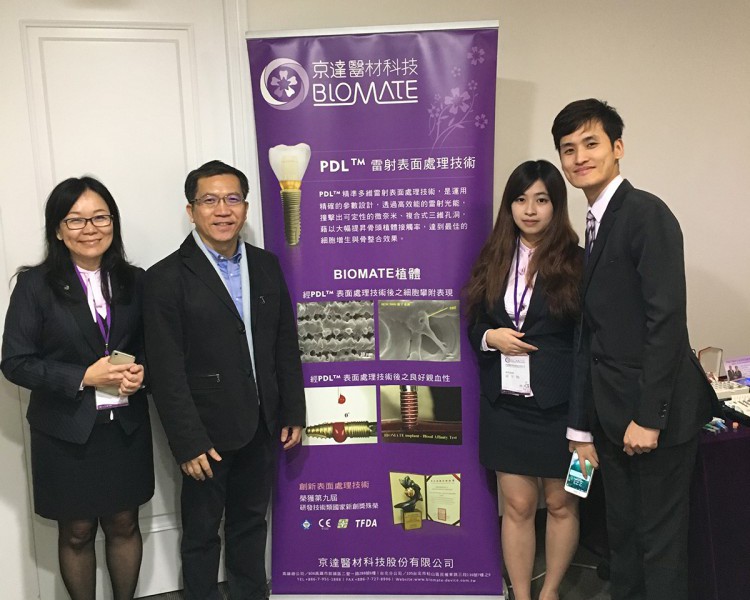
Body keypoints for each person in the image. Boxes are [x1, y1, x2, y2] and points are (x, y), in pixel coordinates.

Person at [552, 99, 716, 600]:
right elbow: (594, 335)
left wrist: (649, 418)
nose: (580, 157)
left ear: (618, 148)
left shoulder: (646, 214)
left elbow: (666, 323)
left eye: (591, 143)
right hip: (612, 416)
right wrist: (582, 427)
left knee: (658, 547)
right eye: (568, 149)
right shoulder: (595, 224)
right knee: (621, 538)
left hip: (654, 418)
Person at [143, 160, 306, 600]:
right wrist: (187, 441)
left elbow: (284, 343)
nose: (222, 209)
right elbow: (165, 369)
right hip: (206, 434)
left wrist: (292, 409)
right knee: (200, 533)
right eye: (210, 200)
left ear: (246, 208)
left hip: (262, 424)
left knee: (251, 524)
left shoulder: (266, 265)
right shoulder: (164, 278)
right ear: (191, 210)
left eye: (232, 199)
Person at [1, 177, 154, 600]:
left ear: (113, 223)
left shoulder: (136, 281)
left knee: (124, 523)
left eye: (100, 217)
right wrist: (84, 377)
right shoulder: (35, 285)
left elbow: (154, 349)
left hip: (124, 427)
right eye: (76, 219)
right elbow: (15, 362)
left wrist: (143, 375)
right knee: (77, 531)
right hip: (65, 431)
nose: (90, 228)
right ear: (57, 229)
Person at [466, 160, 583, 600]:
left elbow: (588, 341)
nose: (530, 210)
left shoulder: (578, 262)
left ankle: (549, 591)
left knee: (561, 503)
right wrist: (490, 337)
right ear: (509, 205)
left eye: (541, 200)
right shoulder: (493, 256)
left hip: (559, 405)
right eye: (520, 199)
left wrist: (584, 417)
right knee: (517, 505)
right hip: (506, 404)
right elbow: (474, 322)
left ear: (556, 205)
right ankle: (520, 593)